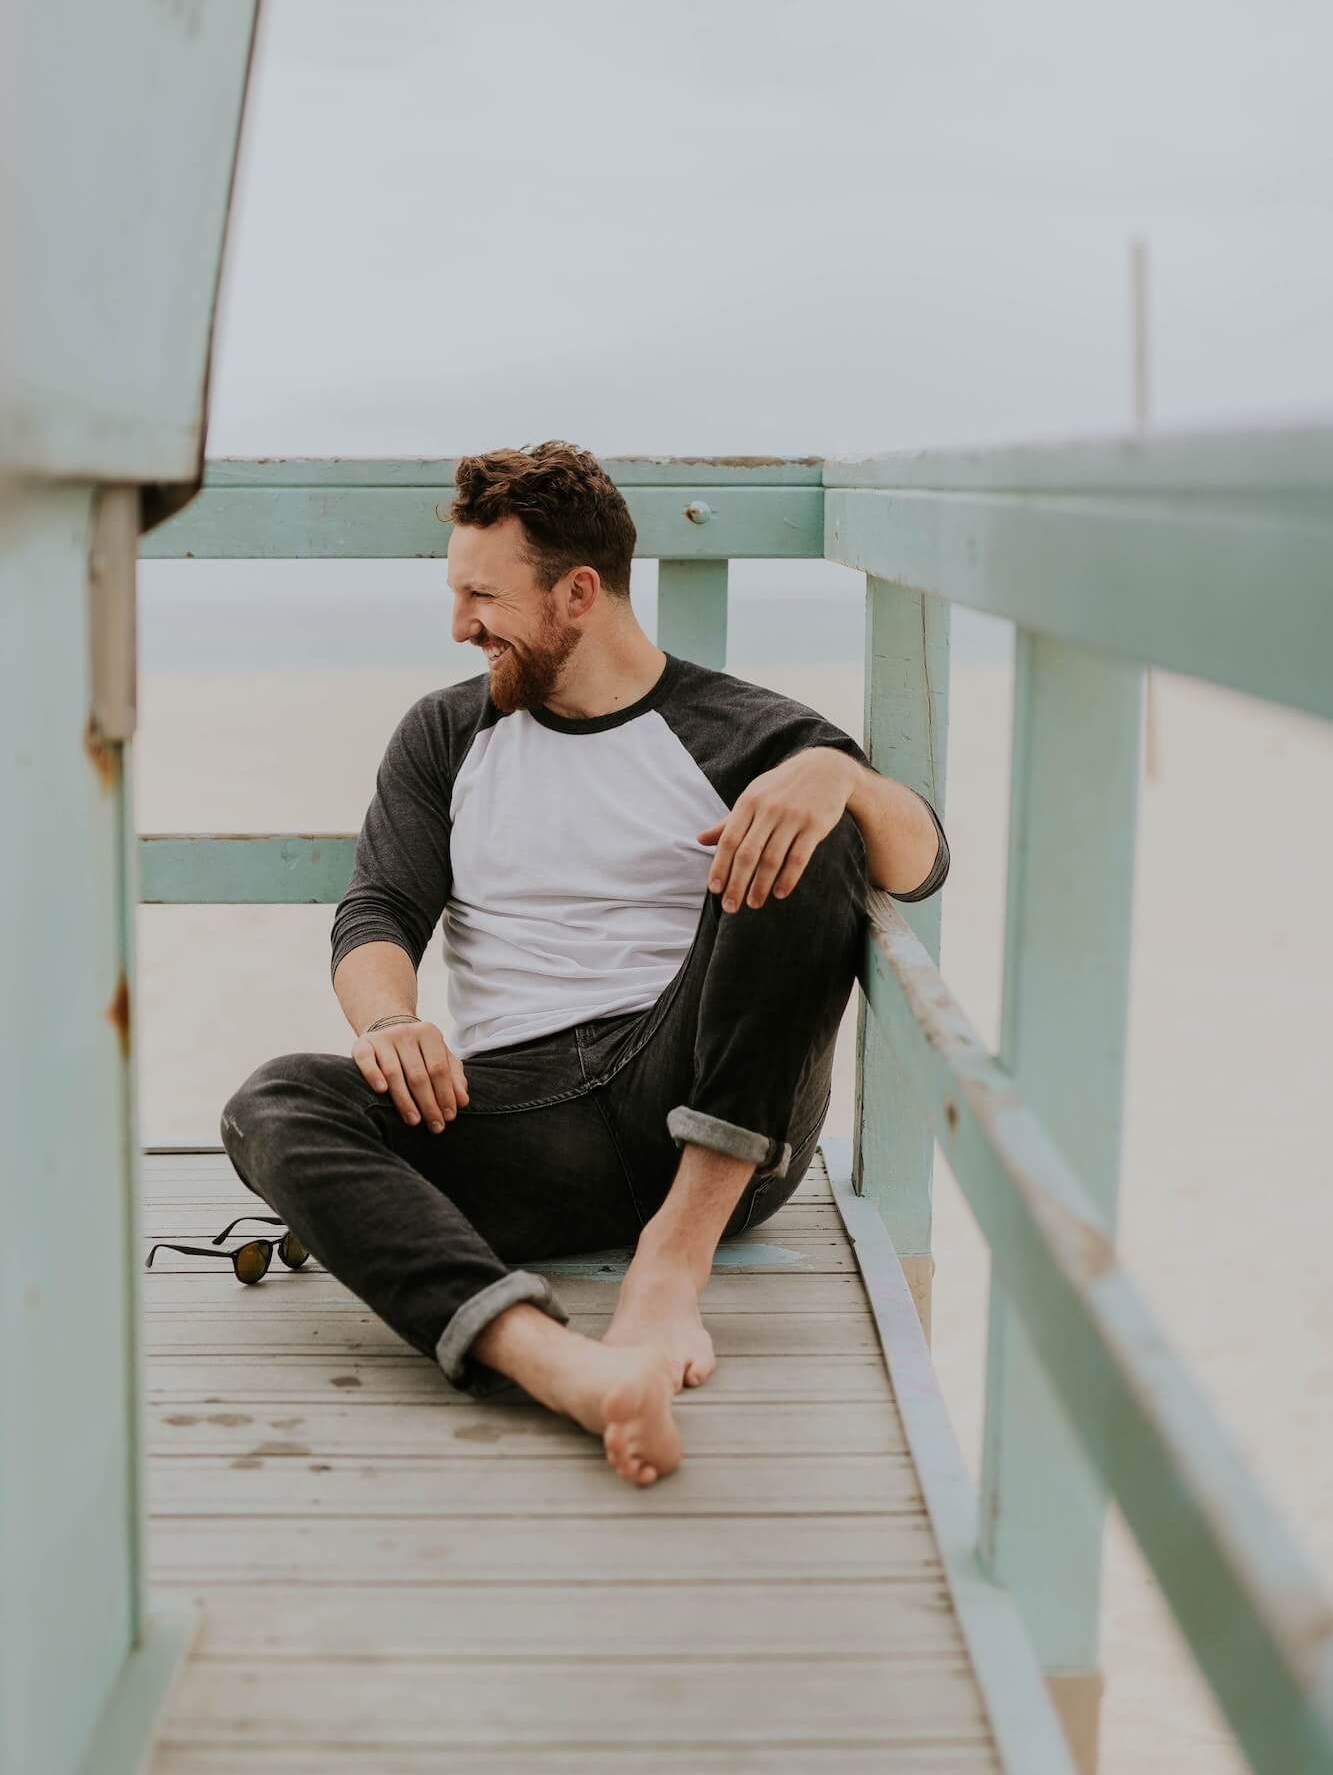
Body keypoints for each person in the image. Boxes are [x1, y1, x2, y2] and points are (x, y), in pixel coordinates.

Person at [220, 442, 948, 1486]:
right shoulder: (444, 733)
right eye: (454, 591)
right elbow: (377, 908)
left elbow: (918, 864)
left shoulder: (744, 729)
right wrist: (389, 1023)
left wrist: (835, 772)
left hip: (706, 1097)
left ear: (577, 592)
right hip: (522, 1114)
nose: (460, 623)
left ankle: (670, 1264)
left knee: (816, 824)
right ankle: (557, 1363)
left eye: (482, 594)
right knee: (274, 1100)